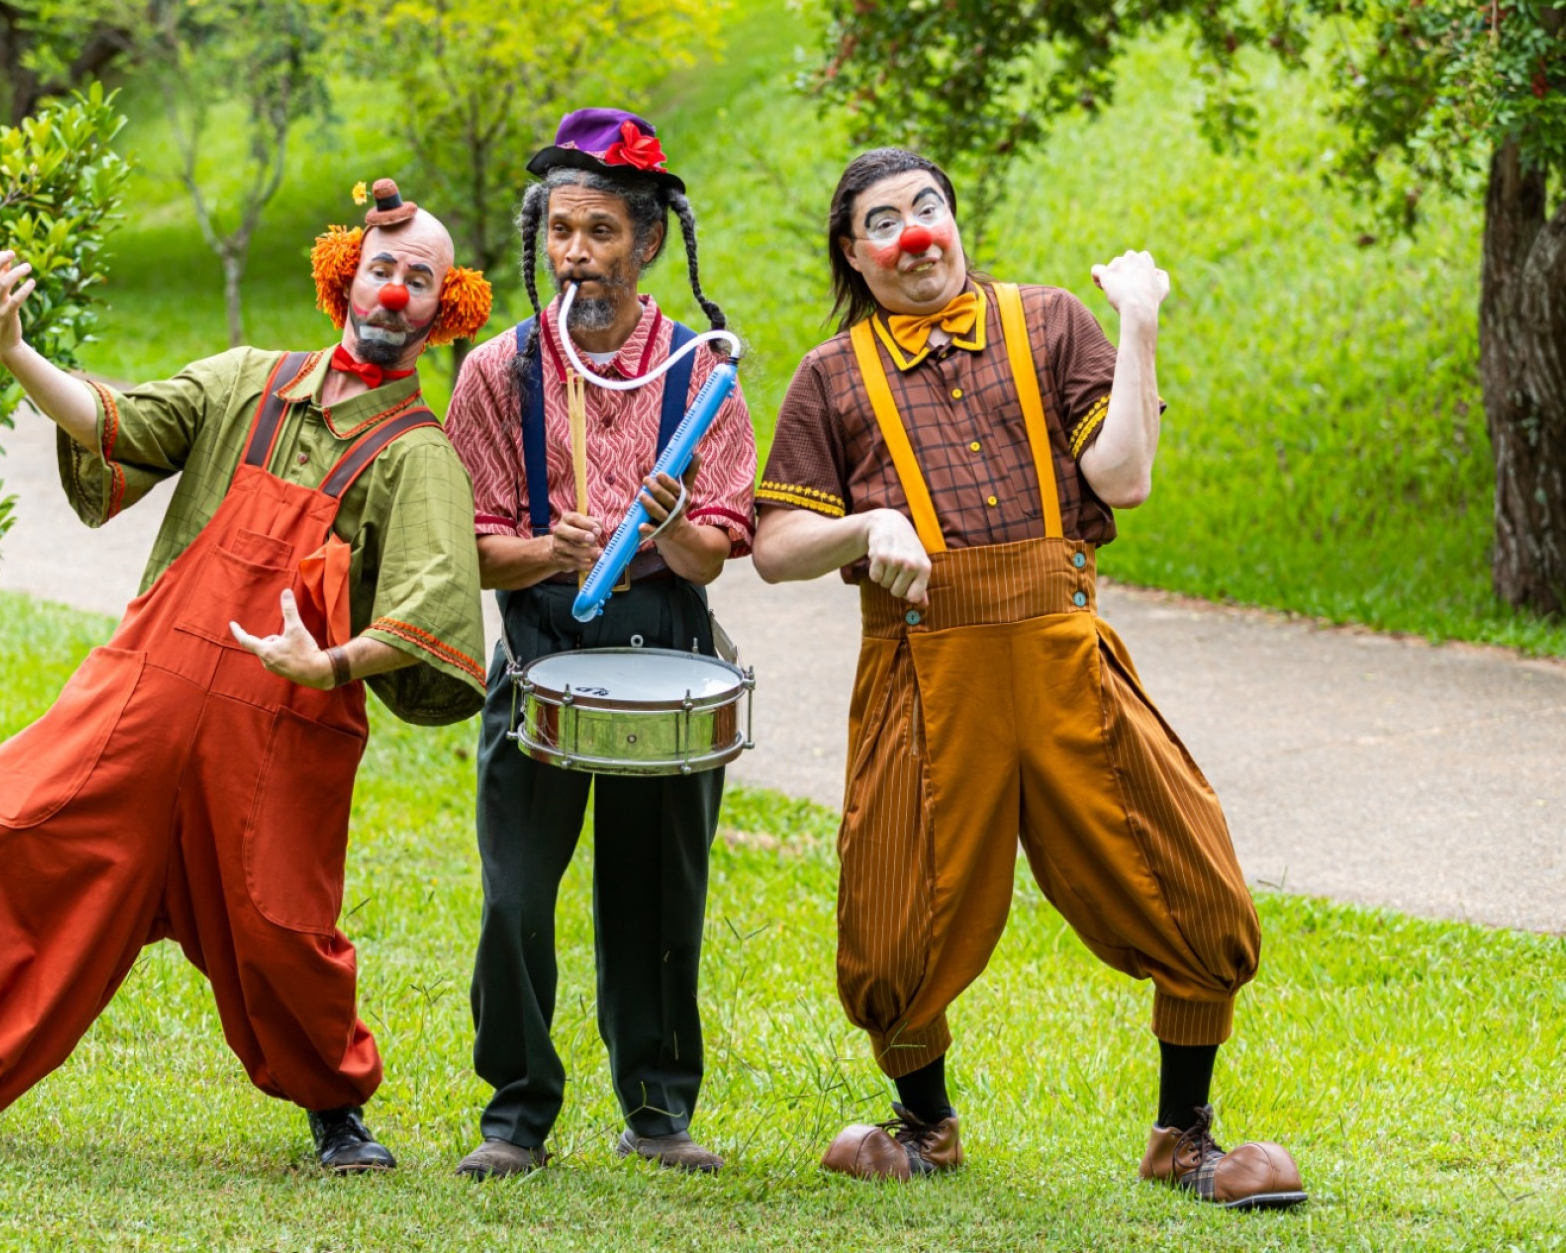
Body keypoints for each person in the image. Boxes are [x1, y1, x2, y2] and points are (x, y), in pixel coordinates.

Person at [0, 179, 495, 1174]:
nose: (394, 289)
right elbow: (119, 422)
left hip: (275, 736)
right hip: (138, 701)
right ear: (345, 274)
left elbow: (433, 596)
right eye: (383, 266)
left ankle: (336, 1117)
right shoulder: (245, 383)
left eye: (420, 277)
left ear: (445, 308)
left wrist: (331, 660)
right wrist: (14, 351)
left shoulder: (418, 456)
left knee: (282, 932)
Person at [752, 148, 1306, 1209]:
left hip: (1063, 652)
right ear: (852, 254)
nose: (915, 233)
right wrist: (866, 525)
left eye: (927, 207)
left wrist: (1137, 320)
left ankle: (1184, 1139)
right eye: (884, 220)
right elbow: (774, 545)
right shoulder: (829, 378)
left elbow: (1124, 476)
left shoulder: (1050, 322)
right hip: (922, 673)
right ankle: (922, 1125)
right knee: (894, 908)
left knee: (1185, 872)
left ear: (955, 221)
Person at [441, 108, 757, 1178]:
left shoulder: (702, 371)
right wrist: (545, 551)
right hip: (537, 651)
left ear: (650, 240)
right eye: (562, 232)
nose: (578, 254)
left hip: (667, 645)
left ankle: (658, 1110)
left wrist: (667, 531)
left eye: (603, 232)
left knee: (656, 890)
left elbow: (718, 549)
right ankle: (515, 1113)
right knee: (516, 890)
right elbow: (470, 552)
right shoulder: (499, 371)